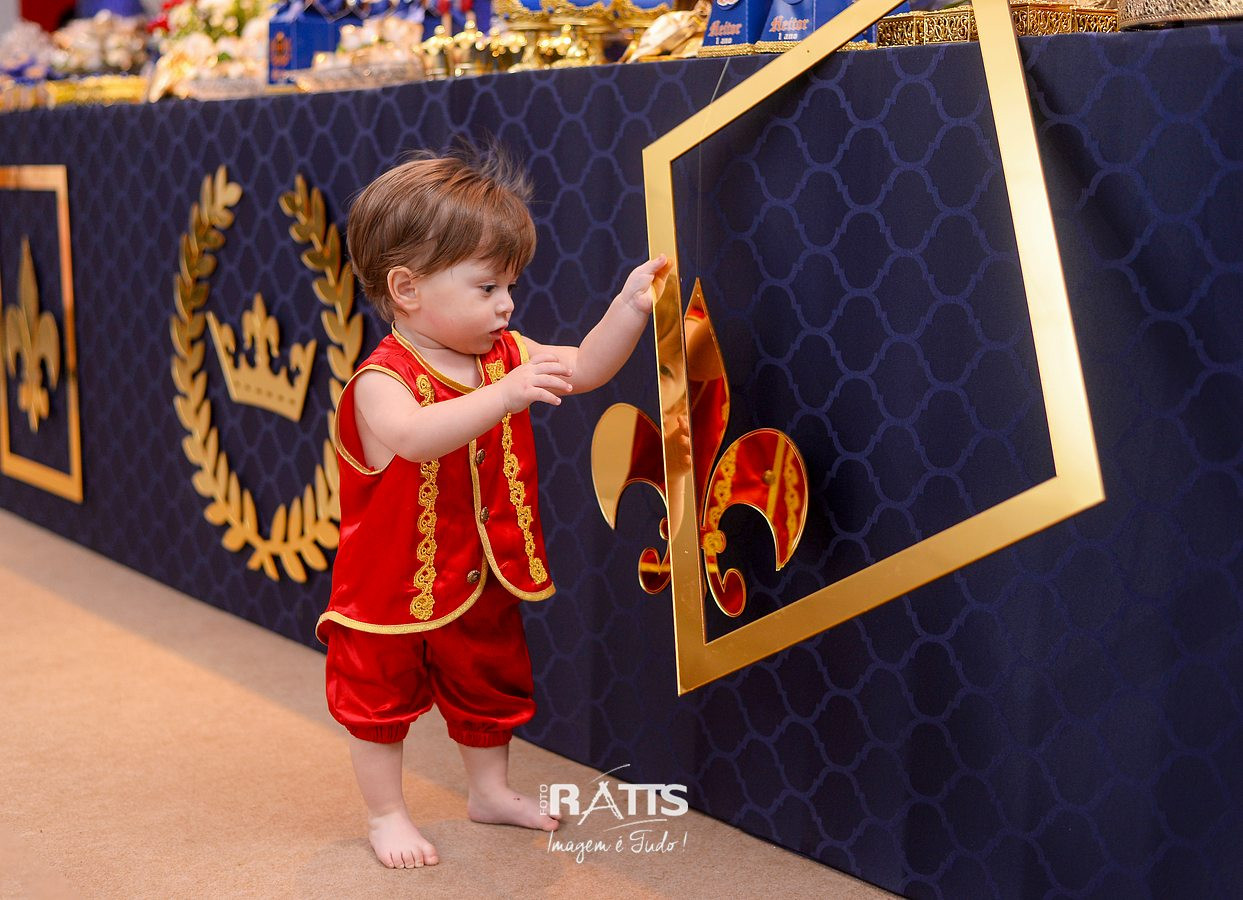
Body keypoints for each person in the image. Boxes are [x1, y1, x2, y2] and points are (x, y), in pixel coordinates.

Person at [316, 147, 671, 870]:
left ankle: (488, 790)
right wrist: (503, 396)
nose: (506, 304)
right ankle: (386, 813)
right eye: (486, 287)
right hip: (389, 584)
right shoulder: (382, 380)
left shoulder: (503, 352)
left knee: (488, 680)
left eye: (509, 285)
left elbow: (583, 368)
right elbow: (416, 438)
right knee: (378, 699)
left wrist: (627, 308)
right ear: (407, 289)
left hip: (480, 569)